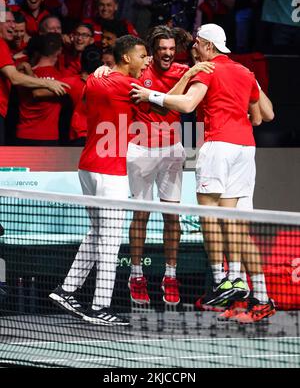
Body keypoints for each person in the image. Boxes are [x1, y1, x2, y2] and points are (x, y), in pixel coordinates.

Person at [130, 23, 276, 322]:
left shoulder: (206, 68)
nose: (193, 47)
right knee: (236, 224)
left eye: (196, 42)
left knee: (207, 213)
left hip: (218, 145)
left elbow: (187, 104)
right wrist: (248, 90)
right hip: (246, 149)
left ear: (207, 45)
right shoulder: (244, 71)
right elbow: (264, 116)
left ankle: (224, 279)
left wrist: (150, 95)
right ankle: (256, 296)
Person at [49, 35, 148, 326]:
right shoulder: (127, 85)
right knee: (110, 241)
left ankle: (66, 290)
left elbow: (108, 73)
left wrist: (104, 69)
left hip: (88, 166)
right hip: (109, 170)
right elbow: (167, 104)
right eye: (142, 56)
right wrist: (190, 73)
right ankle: (99, 307)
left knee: (96, 233)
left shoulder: (95, 79)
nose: (146, 62)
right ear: (127, 58)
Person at [127, 25, 214, 306]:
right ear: (153, 50)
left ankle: (170, 275)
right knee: (141, 215)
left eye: (170, 49)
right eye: (161, 49)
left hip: (173, 150)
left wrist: (188, 71)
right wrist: (103, 70)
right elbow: (162, 107)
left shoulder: (182, 70)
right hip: (140, 149)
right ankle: (136, 275)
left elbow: (179, 107)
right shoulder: (141, 69)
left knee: (171, 216)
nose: (166, 53)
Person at [0, 10, 68, 145]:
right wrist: (48, 83)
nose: (13, 26)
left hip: (21, 132)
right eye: (8, 21)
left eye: (14, 21)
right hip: (46, 137)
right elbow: (14, 78)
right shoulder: (1, 45)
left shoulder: (20, 64)